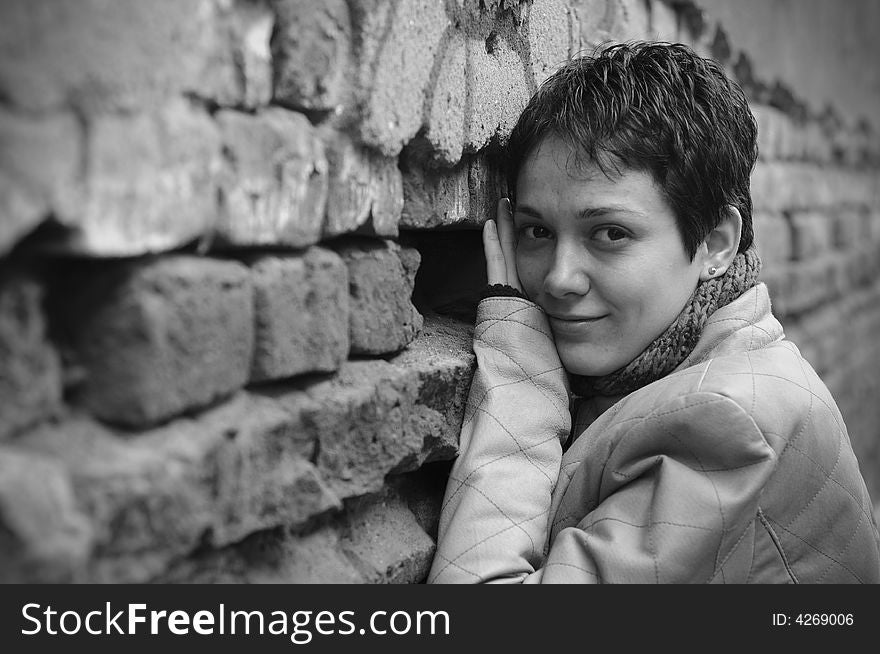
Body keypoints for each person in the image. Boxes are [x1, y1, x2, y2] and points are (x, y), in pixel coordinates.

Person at [427, 41, 880, 583]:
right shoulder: (660, 369)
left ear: (715, 244)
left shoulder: (730, 422)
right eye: (537, 231)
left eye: (611, 233)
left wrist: (520, 370)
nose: (558, 278)